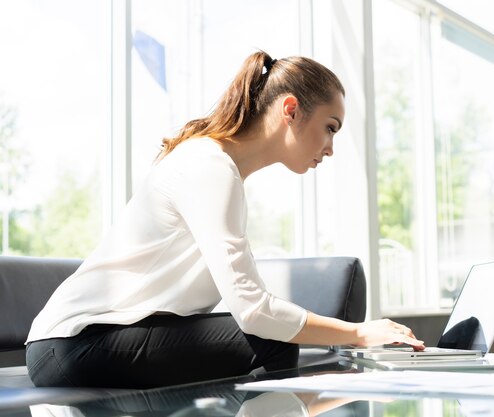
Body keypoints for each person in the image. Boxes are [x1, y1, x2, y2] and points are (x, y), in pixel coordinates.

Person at [25, 51, 424, 389]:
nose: (331, 148)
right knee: (271, 342)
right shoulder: (210, 167)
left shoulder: (219, 169)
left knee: (272, 339)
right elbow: (253, 310)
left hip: (81, 343)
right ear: (291, 109)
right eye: (329, 128)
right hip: (71, 344)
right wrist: (357, 333)